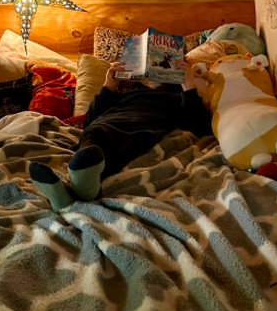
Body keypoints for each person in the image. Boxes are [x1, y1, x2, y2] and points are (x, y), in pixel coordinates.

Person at [29, 60, 212, 211]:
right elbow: (89, 122)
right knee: (95, 135)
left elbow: (200, 127)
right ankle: (81, 184)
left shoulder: (179, 94)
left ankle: (66, 195)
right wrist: (109, 85)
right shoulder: (126, 90)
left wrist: (189, 86)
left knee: (129, 146)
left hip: (147, 130)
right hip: (108, 124)